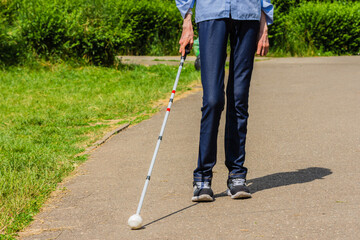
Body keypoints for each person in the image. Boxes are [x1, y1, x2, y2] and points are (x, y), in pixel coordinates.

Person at [175, 0, 273, 201]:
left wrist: (264, 23)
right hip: (211, 12)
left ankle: (237, 175)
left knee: (239, 98)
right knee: (213, 99)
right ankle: (202, 176)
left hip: (247, 12)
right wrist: (187, 21)